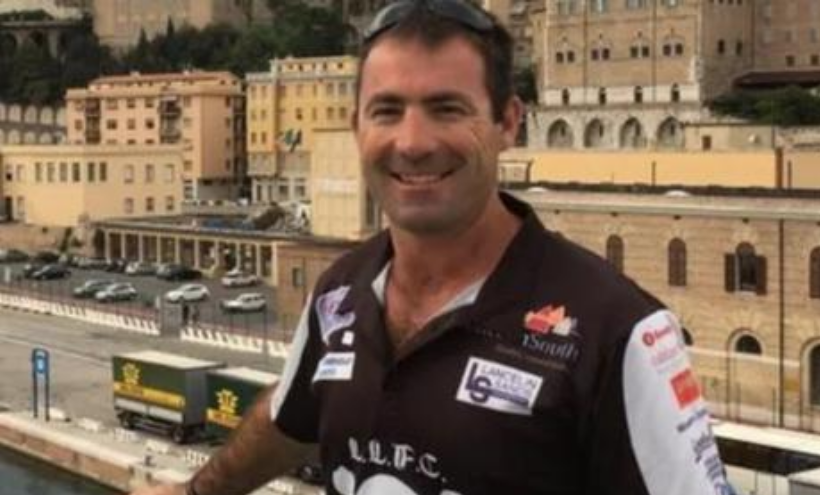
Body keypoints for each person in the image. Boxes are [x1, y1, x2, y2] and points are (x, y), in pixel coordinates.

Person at [132, 1, 732, 494]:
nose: (413, 142)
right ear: (358, 127)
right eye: (387, 111)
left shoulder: (619, 332)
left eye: (447, 109)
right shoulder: (339, 291)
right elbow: (288, 419)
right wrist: (196, 492)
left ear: (508, 123)